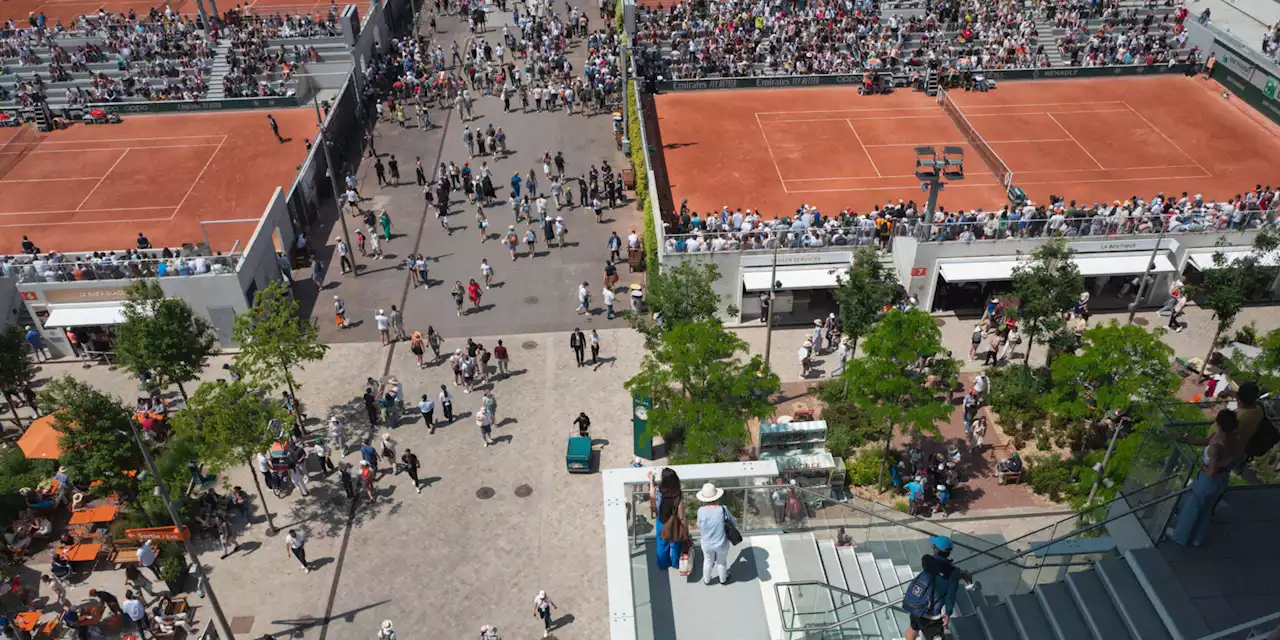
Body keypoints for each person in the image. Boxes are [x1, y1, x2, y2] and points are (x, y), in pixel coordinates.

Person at [1168, 409, 1241, 547]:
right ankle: (1197, 538)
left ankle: (1180, 536)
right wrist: (1185, 438)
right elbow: (1206, 441)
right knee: (1207, 508)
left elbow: (1211, 472)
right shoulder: (1234, 439)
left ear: (1218, 422)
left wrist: (1201, 465)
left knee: (1193, 506)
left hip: (1208, 481)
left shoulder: (1217, 446)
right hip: (1222, 479)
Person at [904, 536, 973, 640]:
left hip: (916, 606)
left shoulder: (929, 563)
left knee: (913, 629)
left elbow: (939, 573)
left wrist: (959, 574)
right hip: (930, 616)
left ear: (936, 550)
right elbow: (950, 595)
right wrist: (948, 613)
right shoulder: (953, 572)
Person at [695, 482, 736, 585]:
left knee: (708, 561)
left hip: (707, 543)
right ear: (716, 497)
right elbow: (732, 521)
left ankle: (707, 580)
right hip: (721, 542)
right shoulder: (722, 509)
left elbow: (699, 525)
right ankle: (723, 579)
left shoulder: (700, 511)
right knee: (721, 562)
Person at [649, 468, 686, 570]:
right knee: (675, 543)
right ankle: (676, 563)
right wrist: (684, 529)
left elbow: (652, 498)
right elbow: (681, 515)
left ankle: (663, 563)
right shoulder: (677, 494)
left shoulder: (658, 490)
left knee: (661, 543)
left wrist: (651, 482)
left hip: (661, 521)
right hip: (674, 523)